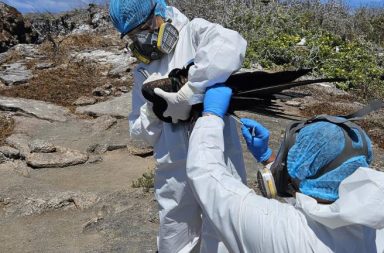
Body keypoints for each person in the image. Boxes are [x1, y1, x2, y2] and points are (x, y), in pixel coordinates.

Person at [109, 1, 247, 252]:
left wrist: (190, 91)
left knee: (222, 230)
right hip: (173, 168)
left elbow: (231, 45)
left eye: (146, 27)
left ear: (160, 11)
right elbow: (138, 133)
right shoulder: (143, 70)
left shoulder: (195, 33)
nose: (144, 38)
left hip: (218, 156)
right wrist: (153, 111)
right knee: (174, 234)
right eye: (134, 35)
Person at [186, 84, 384, 253]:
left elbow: (208, 177)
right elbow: (318, 205)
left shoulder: (275, 228)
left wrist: (210, 117)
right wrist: (267, 158)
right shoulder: (374, 224)